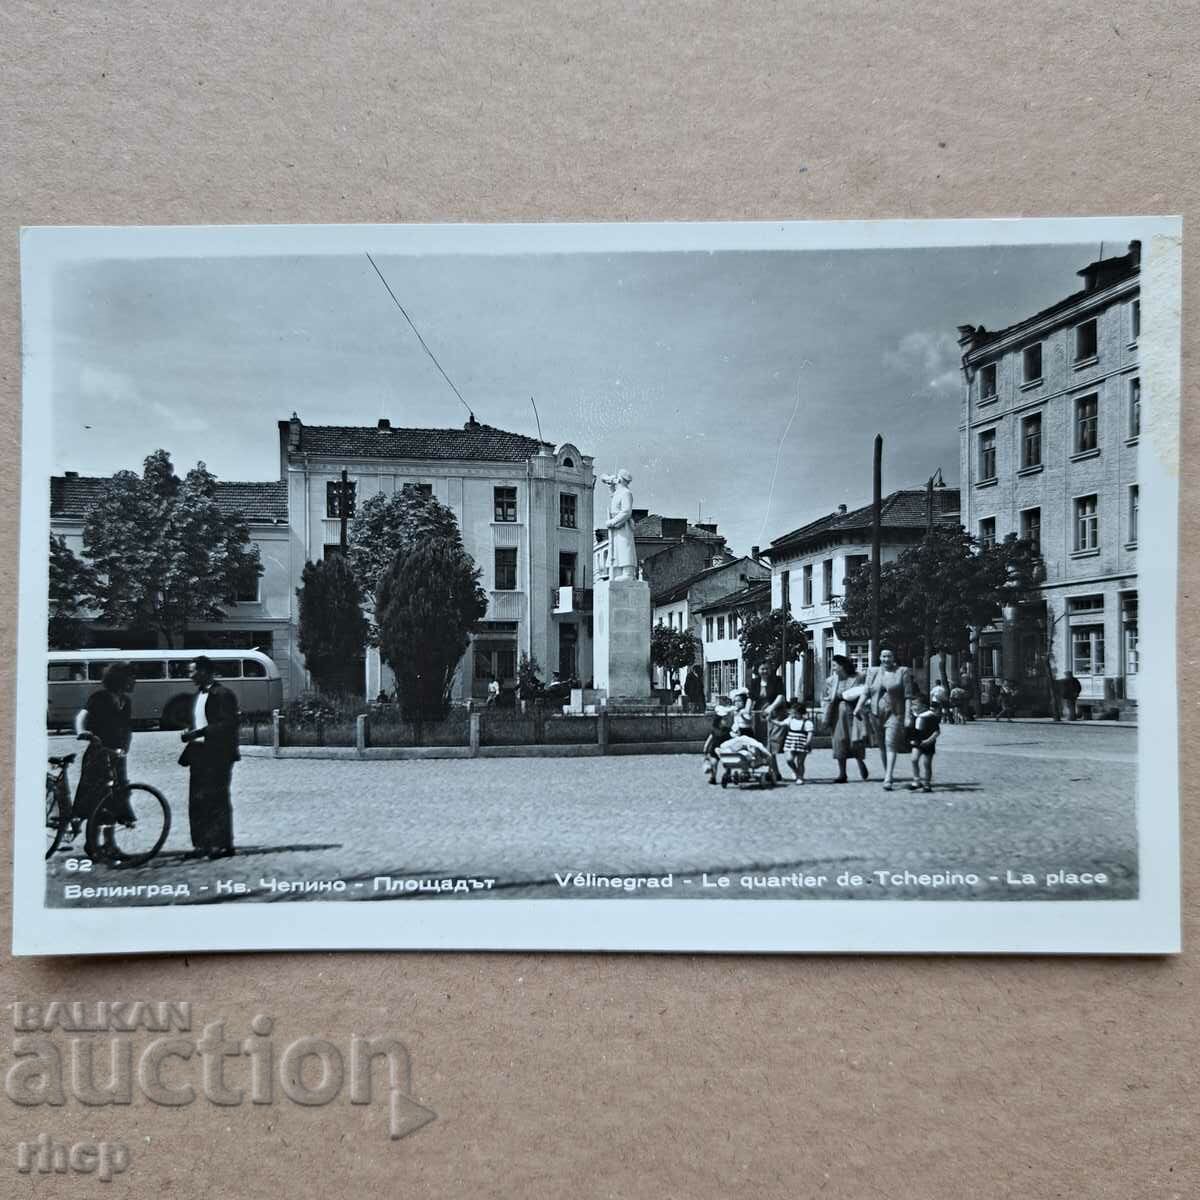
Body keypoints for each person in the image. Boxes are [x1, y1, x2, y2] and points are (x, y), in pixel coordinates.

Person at [178, 656, 241, 859]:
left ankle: (222, 845)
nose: (190, 675)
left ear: (204, 671)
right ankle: (201, 844)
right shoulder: (198, 695)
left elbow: (228, 724)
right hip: (198, 754)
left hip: (218, 754)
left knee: (216, 798)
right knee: (197, 800)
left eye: (192, 671)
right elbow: (200, 719)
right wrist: (191, 729)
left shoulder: (223, 694)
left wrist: (198, 732)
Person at [70, 661, 137, 841]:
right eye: (131, 677)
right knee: (97, 800)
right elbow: (82, 716)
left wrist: (125, 747)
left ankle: (109, 843)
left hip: (117, 756)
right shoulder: (100, 697)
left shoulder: (126, 701)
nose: (135, 681)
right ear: (120, 679)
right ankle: (92, 844)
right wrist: (82, 732)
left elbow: (126, 727)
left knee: (114, 800)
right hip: (98, 755)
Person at [856, 647, 915, 791]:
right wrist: (858, 707)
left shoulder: (902, 672)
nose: (885, 659)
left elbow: (908, 696)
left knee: (890, 743)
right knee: (881, 745)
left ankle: (888, 778)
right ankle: (887, 773)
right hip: (876, 713)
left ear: (894, 658)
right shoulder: (873, 672)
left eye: (889, 656)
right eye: (883, 656)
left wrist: (908, 715)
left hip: (895, 713)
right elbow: (866, 692)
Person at [823, 654, 869, 783]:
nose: (833, 668)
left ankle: (860, 763)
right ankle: (842, 774)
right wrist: (826, 714)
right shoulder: (830, 681)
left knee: (855, 740)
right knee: (839, 742)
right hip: (837, 715)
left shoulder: (858, 677)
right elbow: (825, 698)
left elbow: (865, 693)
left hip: (853, 713)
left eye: (835, 665)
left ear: (842, 666)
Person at [751, 663, 788, 783]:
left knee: (772, 743)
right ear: (757, 670)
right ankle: (774, 772)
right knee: (764, 744)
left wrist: (771, 708)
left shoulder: (777, 680)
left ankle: (774, 771)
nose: (764, 671)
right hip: (759, 716)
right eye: (762, 669)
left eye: (766, 668)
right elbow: (750, 698)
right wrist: (746, 710)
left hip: (775, 715)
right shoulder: (755, 682)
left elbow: (781, 697)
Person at [907, 691, 941, 793]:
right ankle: (916, 780)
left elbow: (937, 732)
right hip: (917, 742)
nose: (913, 707)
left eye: (915, 705)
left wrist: (928, 741)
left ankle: (927, 783)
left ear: (923, 706)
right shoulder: (914, 716)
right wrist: (911, 739)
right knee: (914, 759)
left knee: (927, 764)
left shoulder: (930, 716)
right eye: (912, 705)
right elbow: (912, 730)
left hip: (928, 743)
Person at [783, 699, 815, 784]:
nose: (791, 713)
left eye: (793, 712)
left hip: (802, 744)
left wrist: (808, 742)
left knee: (800, 762)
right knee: (789, 759)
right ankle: (795, 770)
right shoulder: (790, 720)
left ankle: (800, 777)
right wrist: (771, 720)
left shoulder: (807, 722)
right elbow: (781, 724)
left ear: (799, 712)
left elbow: (810, 733)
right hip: (791, 743)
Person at [702, 703, 734, 784]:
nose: (726, 721)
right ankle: (713, 777)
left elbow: (731, 740)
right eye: (724, 719)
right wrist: (706, 747)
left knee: (727, 763)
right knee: (714, 763)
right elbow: (710, 738)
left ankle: (728, 775)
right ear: (719, 721)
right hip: (714, 748)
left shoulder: (727, 730)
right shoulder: (715, 730)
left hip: (724, 749)